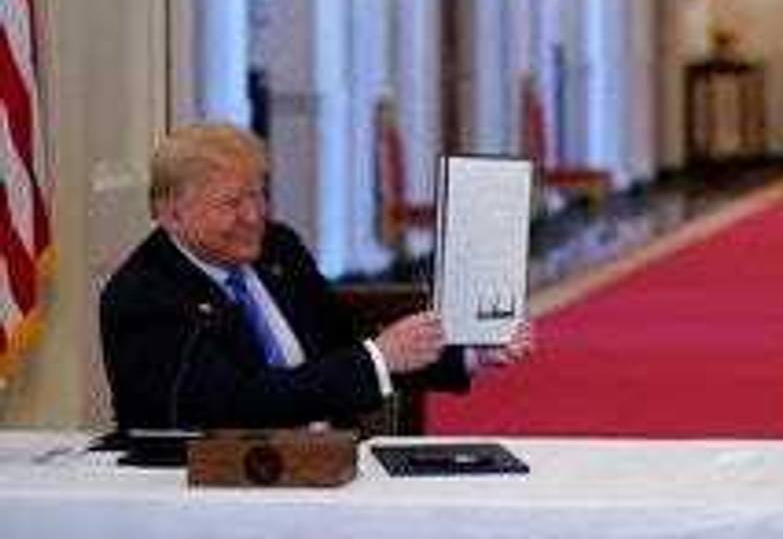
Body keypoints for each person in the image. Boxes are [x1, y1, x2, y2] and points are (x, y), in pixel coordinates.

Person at [100, 123, 532, 431]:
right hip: (222, 493)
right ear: (172, 215)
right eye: (232, 203)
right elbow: (235, 407)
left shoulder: (277, 248)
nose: (254, 217)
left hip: (329, 464)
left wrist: (469, 351)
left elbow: (339, 343)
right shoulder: (144, 296)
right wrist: (378, 359)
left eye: (258, 194)